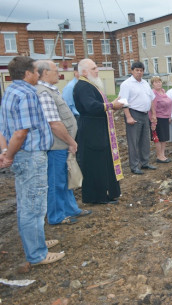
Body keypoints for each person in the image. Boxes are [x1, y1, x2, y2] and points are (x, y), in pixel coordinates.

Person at [0, 56, 64, 265]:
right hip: (31, 156)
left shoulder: (10, 91)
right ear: (27, 73)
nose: (39, 75)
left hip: (21, 155)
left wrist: (4, 151)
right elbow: (20, 133)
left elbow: (3, 128)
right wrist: (8, 156)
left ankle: (36, 241)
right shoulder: (28, 94)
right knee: (34, 206)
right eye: (36, 71)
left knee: (27, 202)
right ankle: (37, 253)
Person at [35, 60, 92, 225]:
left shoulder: (51, 90)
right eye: (55, 70)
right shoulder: (43, 93)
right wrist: (70, 141)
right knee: (56, 181)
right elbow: (54, 123)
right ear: (45, 73)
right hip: (56, 145)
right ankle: (56, 216)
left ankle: (70, 208)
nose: (58, 73)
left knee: (66, 178)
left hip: (63, 143)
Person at [73, 59, 124, 204]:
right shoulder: (83, 86)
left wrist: (110, 107)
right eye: (94, 68)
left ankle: (108, 192)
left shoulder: (90, 84)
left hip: (99, 127)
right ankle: (98, 197)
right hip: (91, 130)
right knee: (95, 163)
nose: (97, 71)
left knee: (104, 161)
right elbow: (91, 106)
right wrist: (110, 105)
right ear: (84, 72)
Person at [119, 61, 156, 175]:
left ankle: (144, 162)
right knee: (134, 141)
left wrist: (153, 114)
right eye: (137, 70)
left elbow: (151, 99)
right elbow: (123, 102)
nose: (139, 73)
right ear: (132, 71)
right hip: (133, 114)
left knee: (145, 140)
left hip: (145, 114)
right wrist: (128, 117)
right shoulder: (126, 84)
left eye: (141, 70)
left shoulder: (145, 83)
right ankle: (134, 166)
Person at [149, 76, 172, 163]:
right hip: (158, 118)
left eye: (159, 82)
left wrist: (169, 116)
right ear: (152, 84)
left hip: (165, 118)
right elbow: (152, 108)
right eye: (156, 82)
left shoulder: (163, 91)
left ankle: (163, 154)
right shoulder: (153, 94)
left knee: (164, 138)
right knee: (158, 138)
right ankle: (159, 156)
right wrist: (153, 122)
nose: (158, 83)